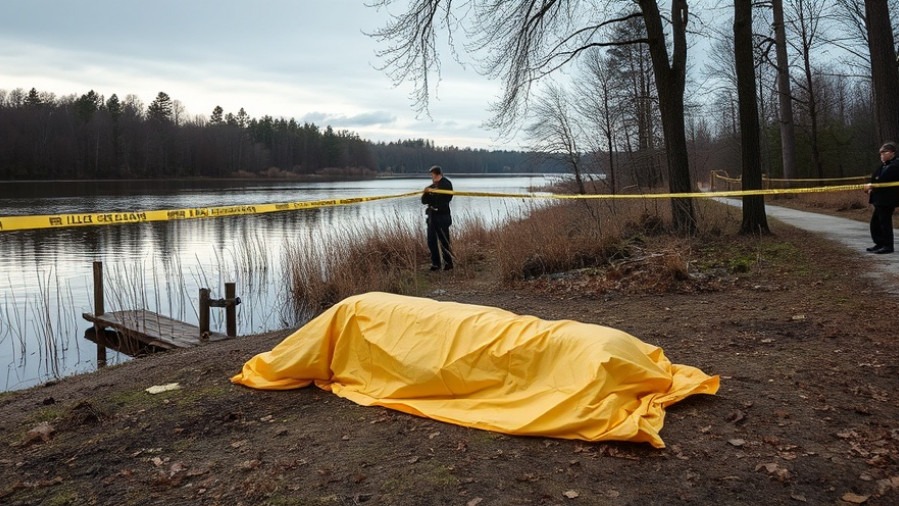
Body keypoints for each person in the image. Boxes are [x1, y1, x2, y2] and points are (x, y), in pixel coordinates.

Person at [864, 142, 899, 254]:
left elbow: (884, 180)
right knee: (875, 223)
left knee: (885, 223)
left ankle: (888, 246)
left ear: (892, 153)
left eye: (884, 152)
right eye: (880, 153)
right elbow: (876, 179)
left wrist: (874, 185)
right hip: (879, 199)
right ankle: (879, 243)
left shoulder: (895, 165)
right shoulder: (882, 166)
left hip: (888, 199)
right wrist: (871, 187)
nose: (881, 155)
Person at [422, 165, 454, 270]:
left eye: (433, 175)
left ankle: (448, 263)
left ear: (437, 174)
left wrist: (435, 199)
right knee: (431, 241)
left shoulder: (446, 184)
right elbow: (424, 201)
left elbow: (447, 197)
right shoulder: (431, 186)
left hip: (442, 217)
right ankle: (435, 263)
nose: (432, 177)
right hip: (432, 217)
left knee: (444, 241)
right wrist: (426, 193)